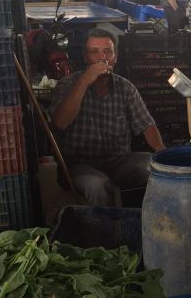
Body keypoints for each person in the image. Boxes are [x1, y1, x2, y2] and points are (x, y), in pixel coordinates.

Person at [50, 29, 164, 206]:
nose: (102, 57)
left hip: (119, 161)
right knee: (98, 186)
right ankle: (108, 231)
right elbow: (60, 123)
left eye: (107, 51)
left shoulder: (125, 87)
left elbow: (147, 125)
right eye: (94, 51)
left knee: (155, 169)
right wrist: (85, 81)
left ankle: (148, 225)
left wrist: (163, 154)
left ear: (115, 57)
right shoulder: (68, 84)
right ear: (86, 58)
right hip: (79, 164)